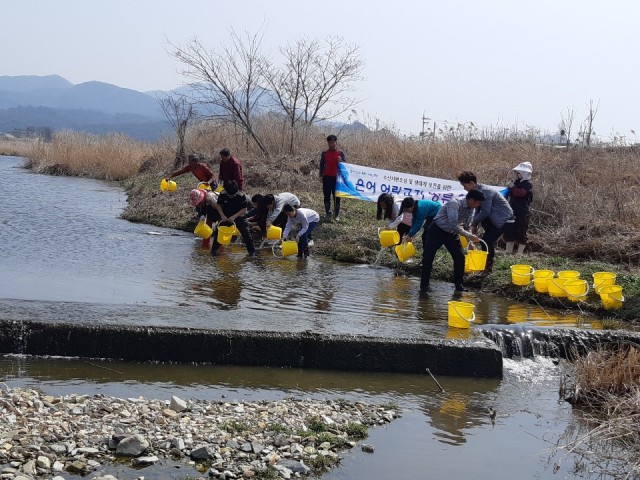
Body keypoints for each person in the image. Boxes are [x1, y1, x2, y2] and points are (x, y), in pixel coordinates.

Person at [418, 189, 485, 294]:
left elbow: (467, 226)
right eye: (478, 202)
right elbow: (454, 224)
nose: (478, 205)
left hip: (450, 233)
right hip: (436, 230)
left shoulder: (470, 208)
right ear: (471, 200)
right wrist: (470, 236)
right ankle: (424, 287)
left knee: (460, 257)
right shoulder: (454, 203)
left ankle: (459, 286)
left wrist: (470, 242)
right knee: (428, 258)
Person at [457, 171, 515, 275]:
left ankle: (488, 269)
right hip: (493, 219)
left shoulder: (486, 191)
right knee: (486, 241)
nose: (464, 188)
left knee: (487, 240)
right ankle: (484, 268)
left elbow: (485, 211)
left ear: (471, 183)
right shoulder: (476, 191)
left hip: (504, 219)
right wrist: (474, 224)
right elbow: (478, 209)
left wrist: (474, 223)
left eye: (464, 185)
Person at [210, 180, 256, 257]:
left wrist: (234, 217)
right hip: (225, 215)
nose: (231, 196)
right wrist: (222, 215)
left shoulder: (241, 195)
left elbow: (244, 209)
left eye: (233, 195)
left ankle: (252, 253)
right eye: (229, 195)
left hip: (239, 216)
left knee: (246, 234)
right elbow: (218, 205)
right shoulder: (223, 193)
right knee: (218, 233)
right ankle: (214, 252)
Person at [503, 162, 533, 255]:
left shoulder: (527, 184)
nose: (515, 174)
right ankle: (508, 252)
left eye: (517, 172)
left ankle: (519, 254)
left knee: (521, 231)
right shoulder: (515, 183)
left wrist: (512, 188)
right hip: (512, 210)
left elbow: (521, 193)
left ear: (522, 174)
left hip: (523, 212)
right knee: (509, 230)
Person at [319, 134, 345, 222]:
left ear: (336, 142)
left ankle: (336, 214)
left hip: (337, 179)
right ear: (328, 143)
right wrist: (320, 176)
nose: (331, 144)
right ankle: (328, 213)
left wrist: (341, 160)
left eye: (333, 142)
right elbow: (322, 165)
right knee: (326, 196)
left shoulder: (340, 153)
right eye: (329, 143)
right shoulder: (324, 153)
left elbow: (345, 166)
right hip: (326, 178)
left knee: (337, 196)